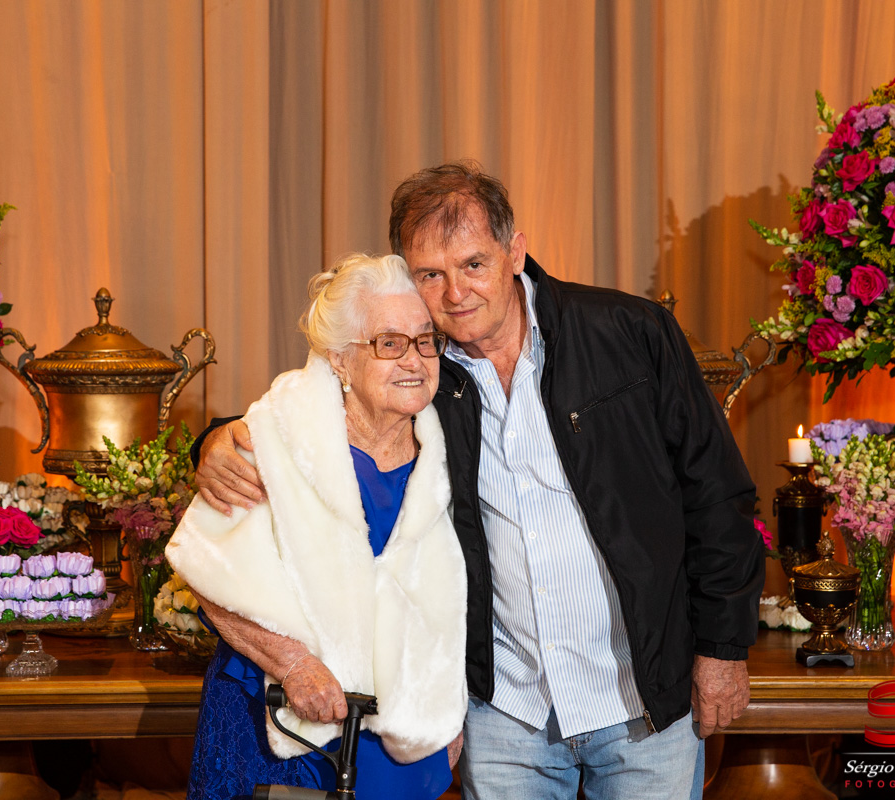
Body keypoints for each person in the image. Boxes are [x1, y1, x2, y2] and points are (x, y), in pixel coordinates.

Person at [193, 162, 765, 800]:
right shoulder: (416, 371)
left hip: (643, 699)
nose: (455, 293)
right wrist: (215, 439)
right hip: (505, 713)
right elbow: (304, 408)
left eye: (473, 264)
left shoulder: (629, 333)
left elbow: (718, 495)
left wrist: (723, 647)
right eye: (429, 274)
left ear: (514, 252)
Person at [166, 253, 467, 800]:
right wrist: (293, 664)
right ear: (340, 360)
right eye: (390, 343)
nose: (415, 360)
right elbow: (204, 569)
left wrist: (447, 705)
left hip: (403, 739)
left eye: (426, 341)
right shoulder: (272, 437)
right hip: (279, 726)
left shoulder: (452, 445)